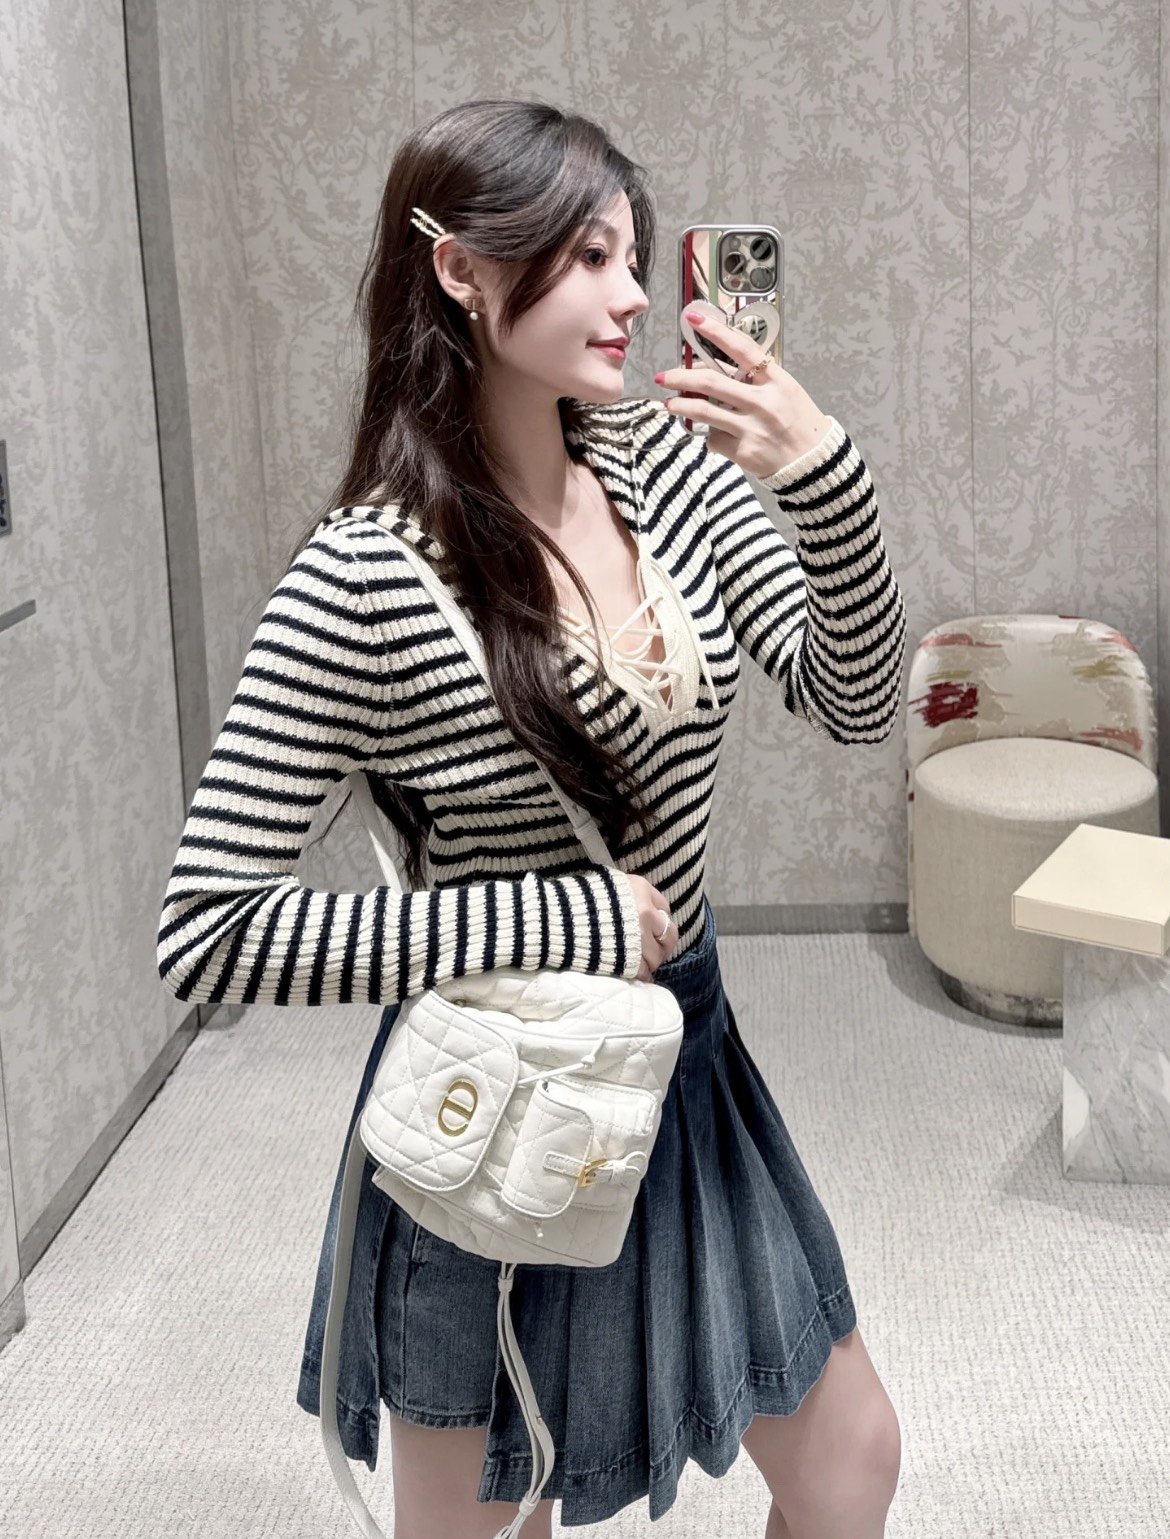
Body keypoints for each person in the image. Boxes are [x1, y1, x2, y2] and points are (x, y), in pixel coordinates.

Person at [157, 99, 907, 1539]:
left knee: (851, 1458)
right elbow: (209, 931)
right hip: (505, 1095)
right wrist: (561, 916)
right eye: (586, 257)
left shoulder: (660, 470)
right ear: (460, 270)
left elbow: (855, 695)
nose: (632, 298)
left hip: (687, 1059)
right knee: (497, 1520)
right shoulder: (364, 576)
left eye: (632, 255)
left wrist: (822, 476)